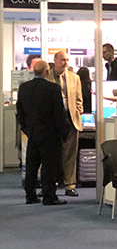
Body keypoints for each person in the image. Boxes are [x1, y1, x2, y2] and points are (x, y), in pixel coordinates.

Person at [17, 60, 69, 206]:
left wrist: (27, 129)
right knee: (49, 166)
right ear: (47, 72)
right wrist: (63, 132)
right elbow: (59, 113)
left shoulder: (24, 88)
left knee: (32, 165)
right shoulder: (53, 88)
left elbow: (20, 112)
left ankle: (30, 195)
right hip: (50, 134)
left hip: (32, 133)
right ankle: (49, 196)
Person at [52, 50, 83, 197]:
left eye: (67, 60)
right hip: (52, 122)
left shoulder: (74, 78)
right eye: (62, 60)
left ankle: (70, 185)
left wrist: (78, 111)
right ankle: (50, 185)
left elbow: (78, 99)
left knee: (70, 155)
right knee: (51, 155)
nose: (65, 63)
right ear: (55, 60)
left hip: (70, 120)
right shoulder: (47, 76)